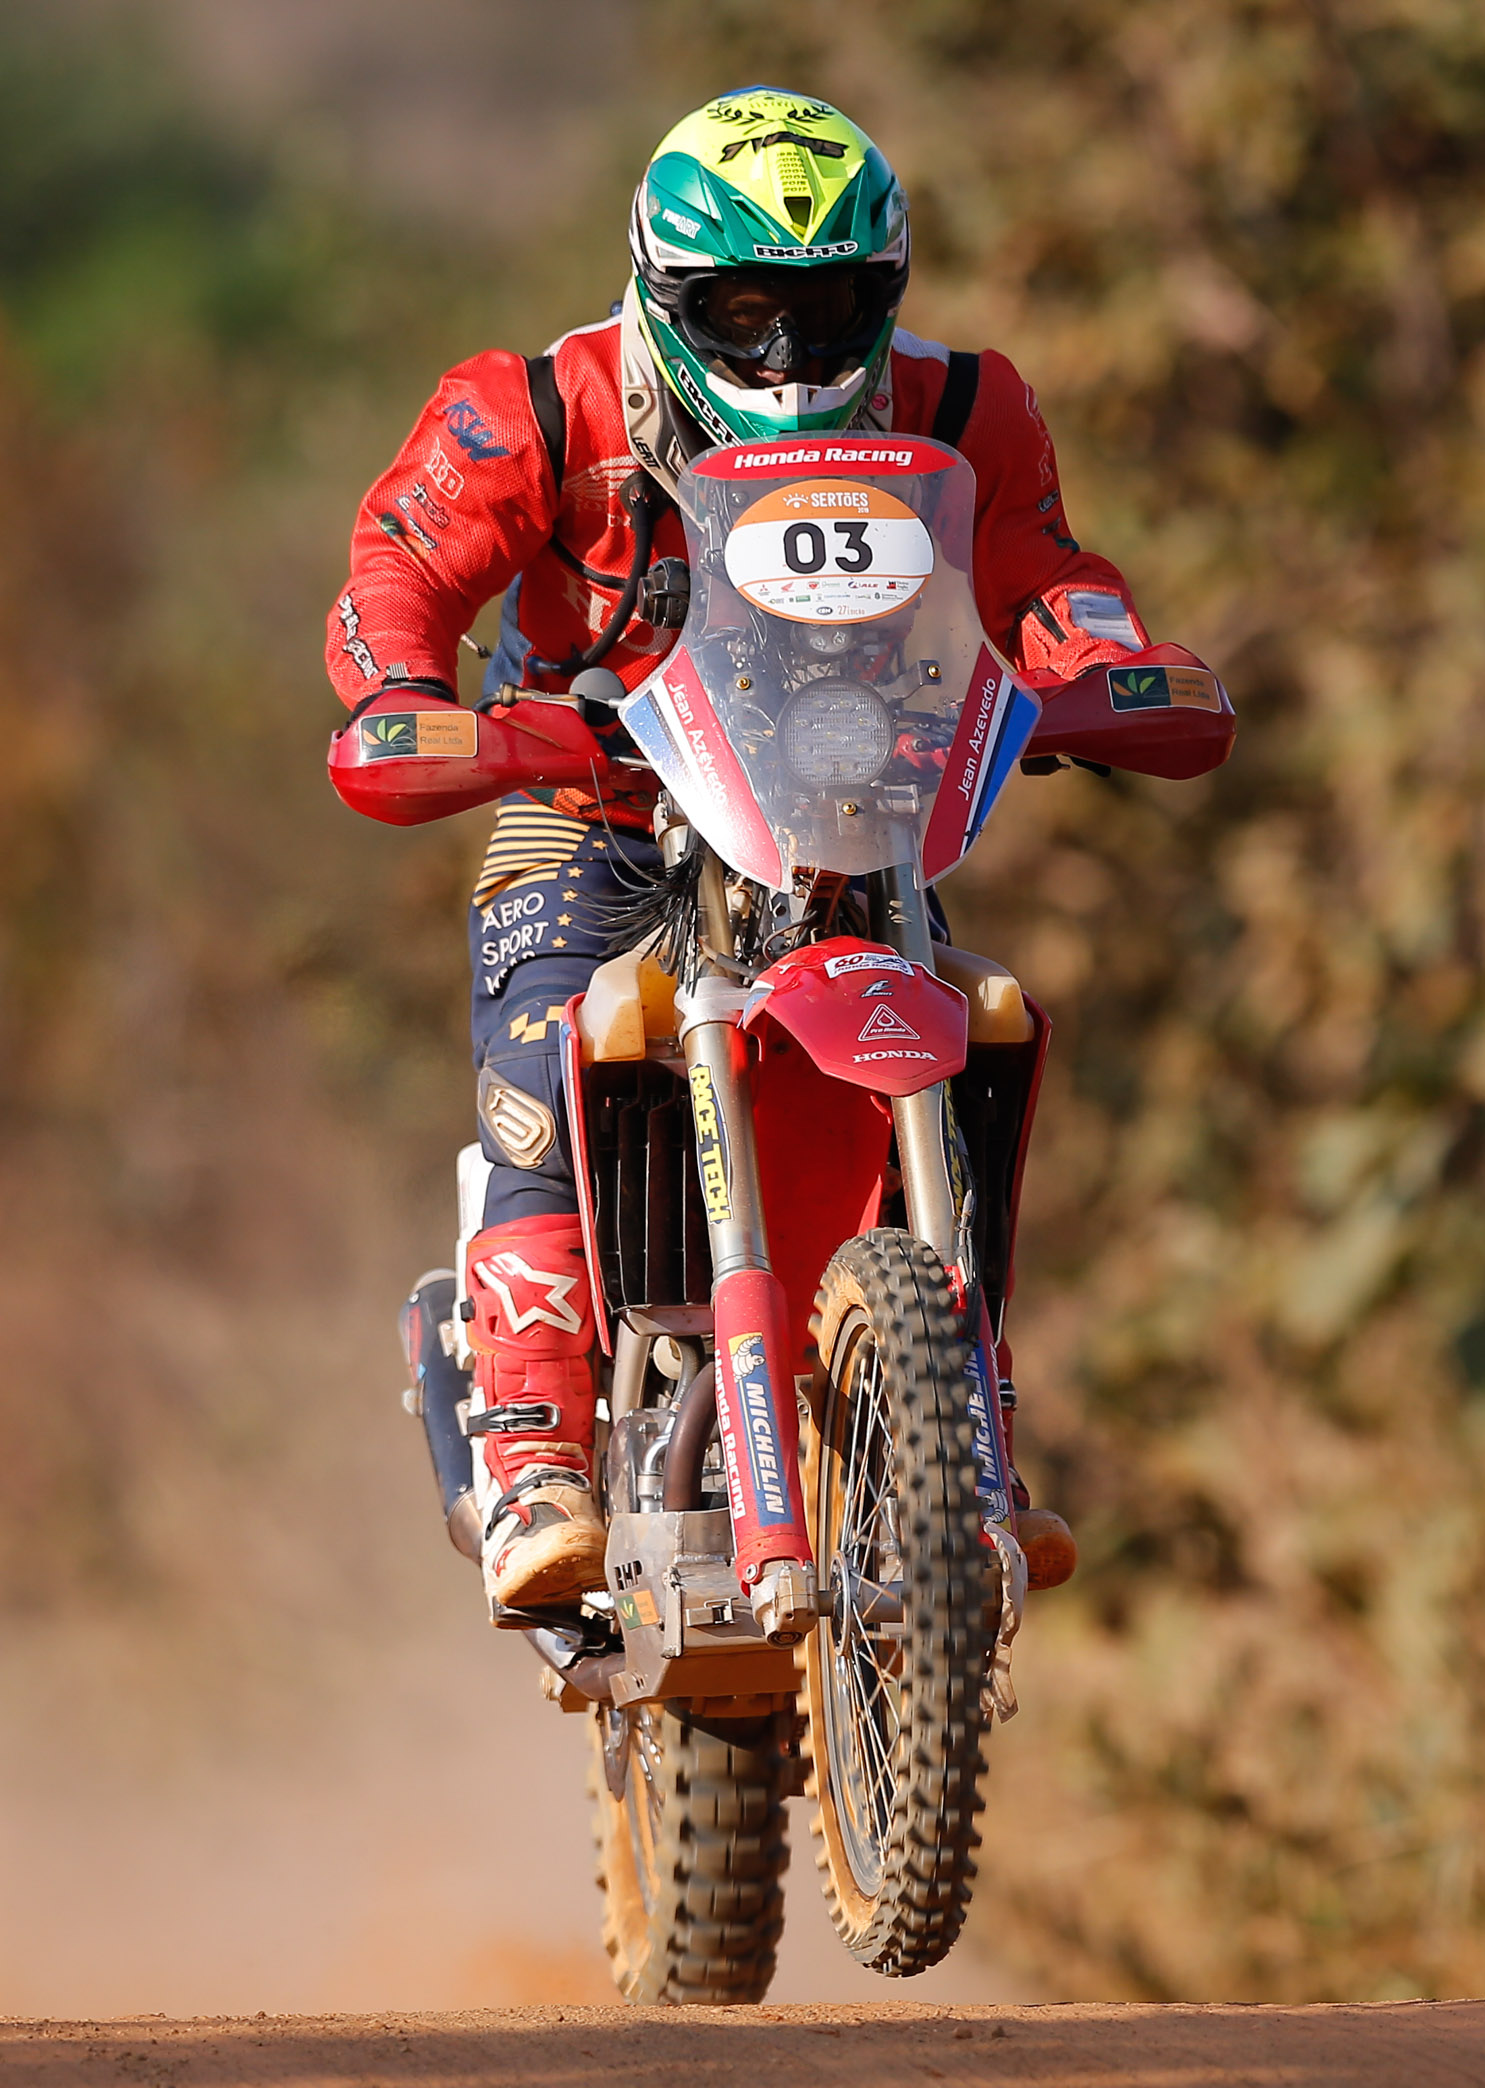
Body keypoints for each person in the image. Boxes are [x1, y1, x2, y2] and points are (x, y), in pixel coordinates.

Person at [323, 86, 1202, 1610]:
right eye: (742, 313)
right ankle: (532, 1434)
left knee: (979, 1016)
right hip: (591, 795)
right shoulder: (542, 405)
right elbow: (403, 552)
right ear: (666, 295)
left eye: (831, 310)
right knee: (546, 1043)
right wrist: (404, 690)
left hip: (841, 799)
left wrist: (1094, 657)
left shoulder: (960, 407)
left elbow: (1047, 568)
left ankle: (963, 1421)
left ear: (888, 294)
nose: (792, 358)